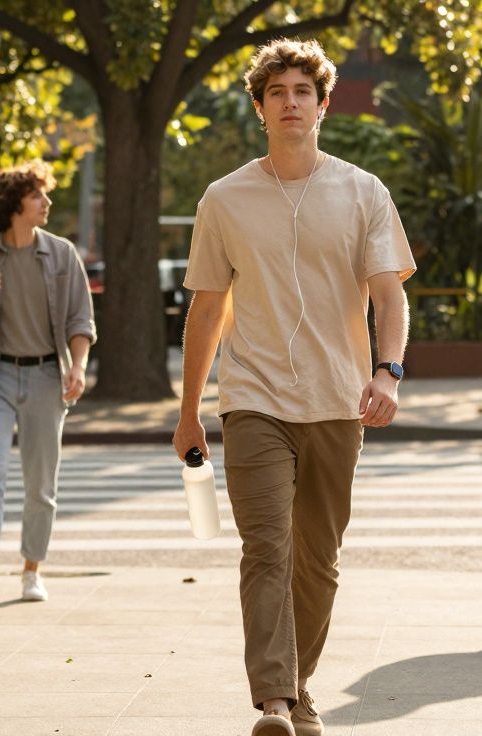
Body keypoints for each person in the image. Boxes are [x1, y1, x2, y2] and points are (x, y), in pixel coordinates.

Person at [172, 39, 414, 736]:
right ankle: (274, 698)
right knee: (266, 547)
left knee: (318, 559)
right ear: (259, 107)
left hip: (340, 400)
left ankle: (299, 689)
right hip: (253, 399)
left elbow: (388, 296)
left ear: (323, 104)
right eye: (276, 92)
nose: (289, 103)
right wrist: (189, 412)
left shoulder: (362, 191)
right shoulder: (224, 198)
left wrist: (388, 371)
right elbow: (208, 309)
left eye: (301, 91)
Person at [0, 161, 96, 607]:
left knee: (40, 482)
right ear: (14, 204)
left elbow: (79, 320)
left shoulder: (62, 254)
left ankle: (32, 570)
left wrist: (78, 366)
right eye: (38, 196)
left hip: (48, 375)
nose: (46, 202)